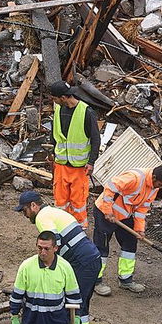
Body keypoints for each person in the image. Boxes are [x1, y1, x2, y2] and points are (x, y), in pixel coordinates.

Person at [15, 189, 102, 324]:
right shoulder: (54, 212)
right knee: (81, 305)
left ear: (33, 206)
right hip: (91, 260)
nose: (25, 215)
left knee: (73, 306)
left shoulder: (42, 217)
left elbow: (53, 243)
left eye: (25, 210)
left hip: (81, 263)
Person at [91, 164, 162, 295]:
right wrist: (107, 210)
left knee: (130, 245)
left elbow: (142, 209)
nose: (160, 187)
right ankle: (95, 281)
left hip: (125, 215)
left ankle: (126, 279)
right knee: (102, 247)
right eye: (160, 184)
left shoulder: (154, 188)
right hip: (105, 213)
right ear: (154, 177)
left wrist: (139, 229)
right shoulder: (134, 178)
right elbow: (110, 187)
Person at [47, 81, 99, 226]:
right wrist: (52, 152)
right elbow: (55, 134)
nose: (53, 101)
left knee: (78, 202)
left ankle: (79, 229)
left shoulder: (86, 112)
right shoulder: (58, 110)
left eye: (55, 98)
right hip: (61, 165)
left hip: (79, 168)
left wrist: (91, 162)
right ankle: (62, 226)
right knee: (60, 201)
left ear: (63, 97)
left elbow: (95, 139)